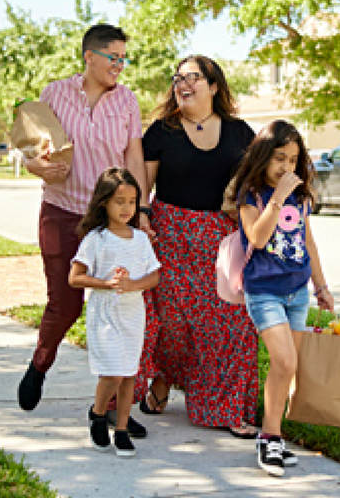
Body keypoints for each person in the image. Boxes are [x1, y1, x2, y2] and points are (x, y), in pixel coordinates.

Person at [17, 24, 152, 440]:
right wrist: (35, 165)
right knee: (65, 304)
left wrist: (140, 209)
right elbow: (31, 148)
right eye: (114, 57)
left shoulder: (127, 100)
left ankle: (112, 407)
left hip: (108, 221)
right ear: (89, 56)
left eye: (124, 58)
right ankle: (40, 365)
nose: (120, 65)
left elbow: (134, 156)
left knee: (119, 306)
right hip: (60, 210)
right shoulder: (55, 93)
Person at [135, 54, 259, 437]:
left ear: (214, 86)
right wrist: (140, 215)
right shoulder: (161, 131)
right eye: (178, 78)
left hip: (221, 241)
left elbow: (258, 180)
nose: (183, 84)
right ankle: (163, 381)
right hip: (170, 236)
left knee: (229, 322)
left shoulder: (240, 133)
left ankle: (226, 406)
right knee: (171, 322)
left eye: (193, 77)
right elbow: (145, 184)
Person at [230, 119, 334, 477]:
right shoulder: (251, 195)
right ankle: (269, 437)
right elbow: (257, 239)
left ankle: (273, 435)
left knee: (286, 367)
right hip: (264, 292)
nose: (286, 168)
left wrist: (321, 287)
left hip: (297, 291)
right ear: (262, 157)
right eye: (278, 159)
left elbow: (309, 242)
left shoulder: (301, 198)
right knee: (285, 361)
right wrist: (276, 198)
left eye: (292, 160)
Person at [69, 168, 161, 457]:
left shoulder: (140, 239)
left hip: (133, 313)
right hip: (105, 314)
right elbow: (75, 277)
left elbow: (154, 276)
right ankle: (98, 414)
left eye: (132, 201)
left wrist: (133, 284)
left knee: (130, 374)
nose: (126, 208)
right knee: (112, 374)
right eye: (119, 201)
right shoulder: (97, 239)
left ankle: (121, 430)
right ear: (104, 202)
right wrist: (106, 284)